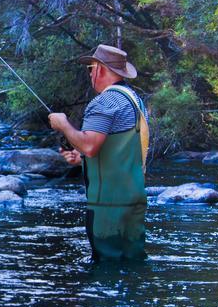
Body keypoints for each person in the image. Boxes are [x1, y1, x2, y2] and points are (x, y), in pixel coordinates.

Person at [48, 44, 150, 262]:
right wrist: (82, 160)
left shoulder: (105, 101)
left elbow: (89, 146)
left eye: (91, 69)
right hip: (133, 199)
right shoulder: (135, 100)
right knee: (133, 262)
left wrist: (64, 124)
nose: (90, 74)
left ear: (101, 70)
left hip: (108, 205)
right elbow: (115, 151)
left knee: (107, 267)